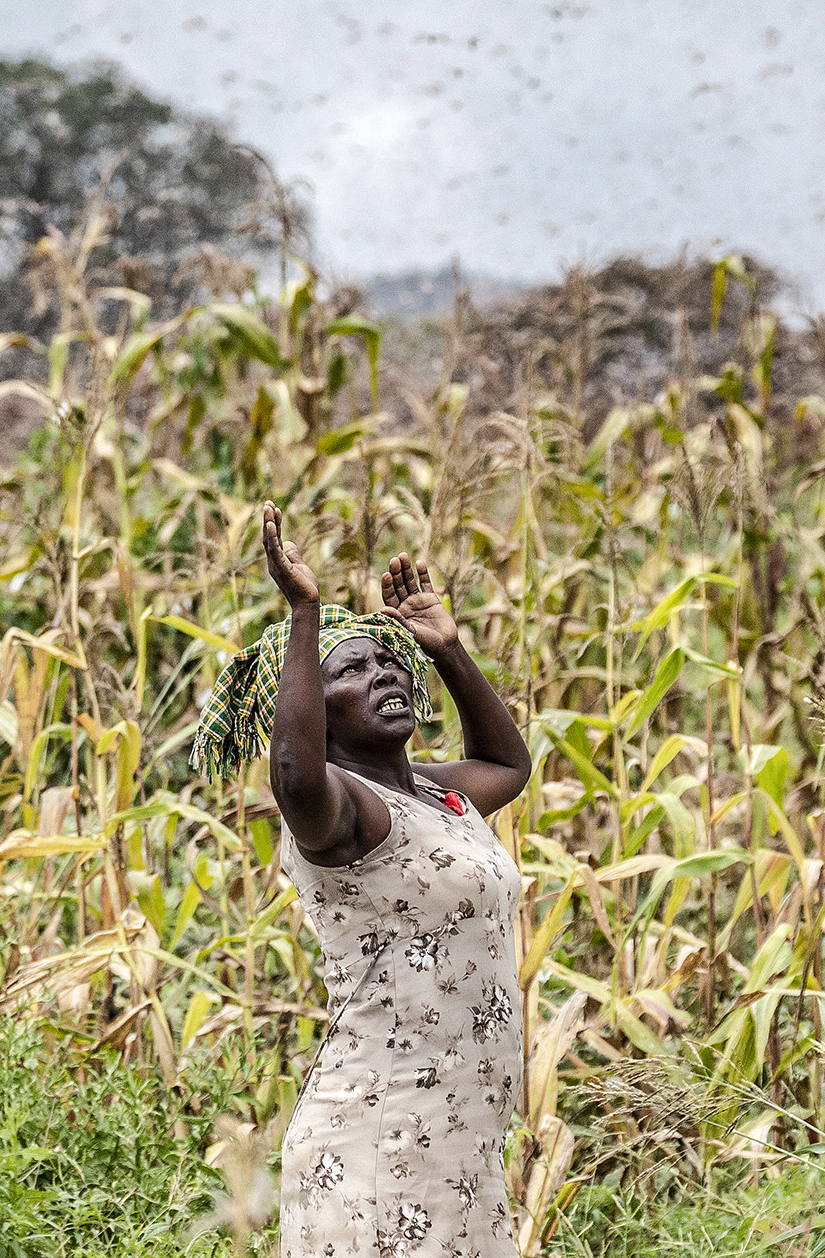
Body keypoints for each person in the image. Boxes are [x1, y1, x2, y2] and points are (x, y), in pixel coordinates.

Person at [193, 504, 534, 1258]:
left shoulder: (436, 795)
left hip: (461, 1142)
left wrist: (446, 649)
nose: (383, 673)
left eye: (387, 663)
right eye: (351, 670)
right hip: (381, 1135)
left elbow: (511, 766)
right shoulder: (342, 814)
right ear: (318, 708)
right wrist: (306, 615)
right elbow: (292, 771)